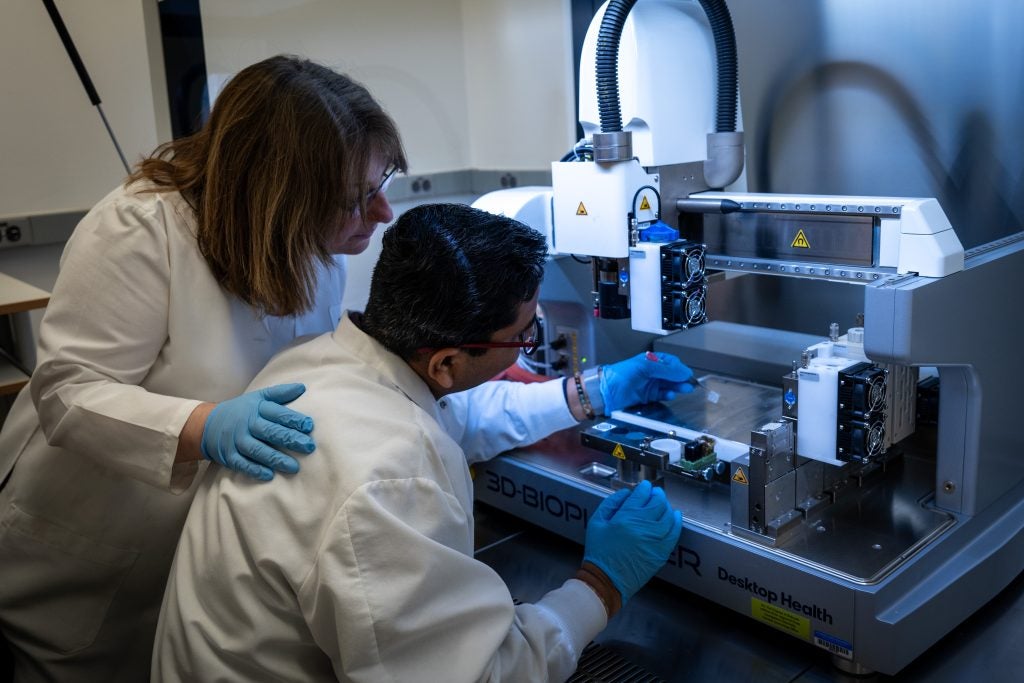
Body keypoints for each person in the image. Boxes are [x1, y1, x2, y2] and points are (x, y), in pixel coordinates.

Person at [153, 203, 689, 682]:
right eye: (523, 336)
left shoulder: (320, 361)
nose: (529, 343)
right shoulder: (389, 479)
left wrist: (589, 391)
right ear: (446, 362)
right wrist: (601, 583)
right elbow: (485, 675)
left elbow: (454, 414)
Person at [0, 55, 407, 682]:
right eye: (356, 198)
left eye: (382, 183)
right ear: (279, 193)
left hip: (199, 555)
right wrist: (203, 426)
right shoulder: (142, 226)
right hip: (88, 550)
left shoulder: (313, 244)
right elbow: (67, 392)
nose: (382, 213)